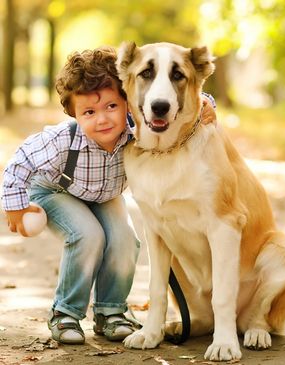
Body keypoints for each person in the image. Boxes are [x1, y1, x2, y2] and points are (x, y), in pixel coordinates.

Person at [1, 46, 217, 345]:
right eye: (89, 112)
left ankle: (111, 311)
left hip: (104, 196)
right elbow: (19, 161)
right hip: (55, 190)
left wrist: (207, 102)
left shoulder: (135, 130)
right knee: (88, 235)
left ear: (128, 101)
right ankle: (66, 312)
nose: (102, 119)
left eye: (111, 107)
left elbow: (183, 100)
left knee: (126, 239)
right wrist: (15, 208)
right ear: (73, 113)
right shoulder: (62, 140)